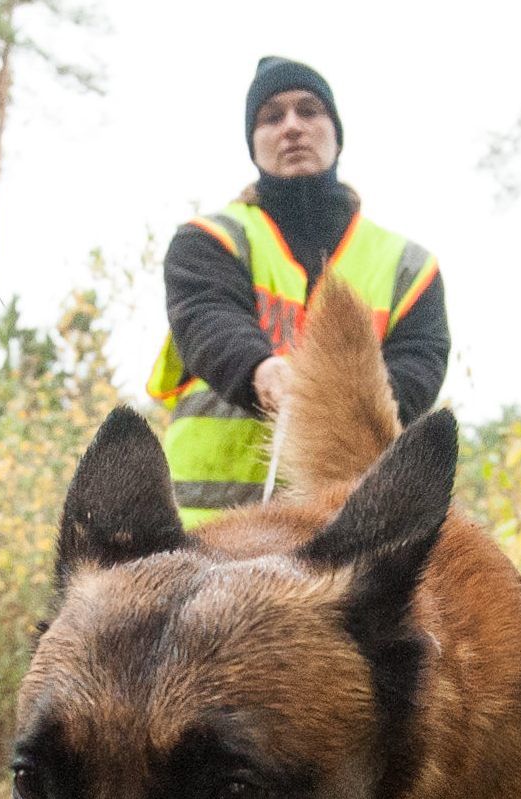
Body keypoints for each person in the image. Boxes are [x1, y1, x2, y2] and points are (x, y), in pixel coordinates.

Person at [148, 56, 451, 526]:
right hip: (205, 536)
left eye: (309, 110)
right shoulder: (208, 240)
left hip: (343, 534)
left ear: (336, 131)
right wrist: (261, 371)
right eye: (271, 117)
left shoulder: (410, 267)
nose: (291, 127)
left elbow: (420, 365)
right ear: (253, 142)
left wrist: (336, 407)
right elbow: (207, 318)